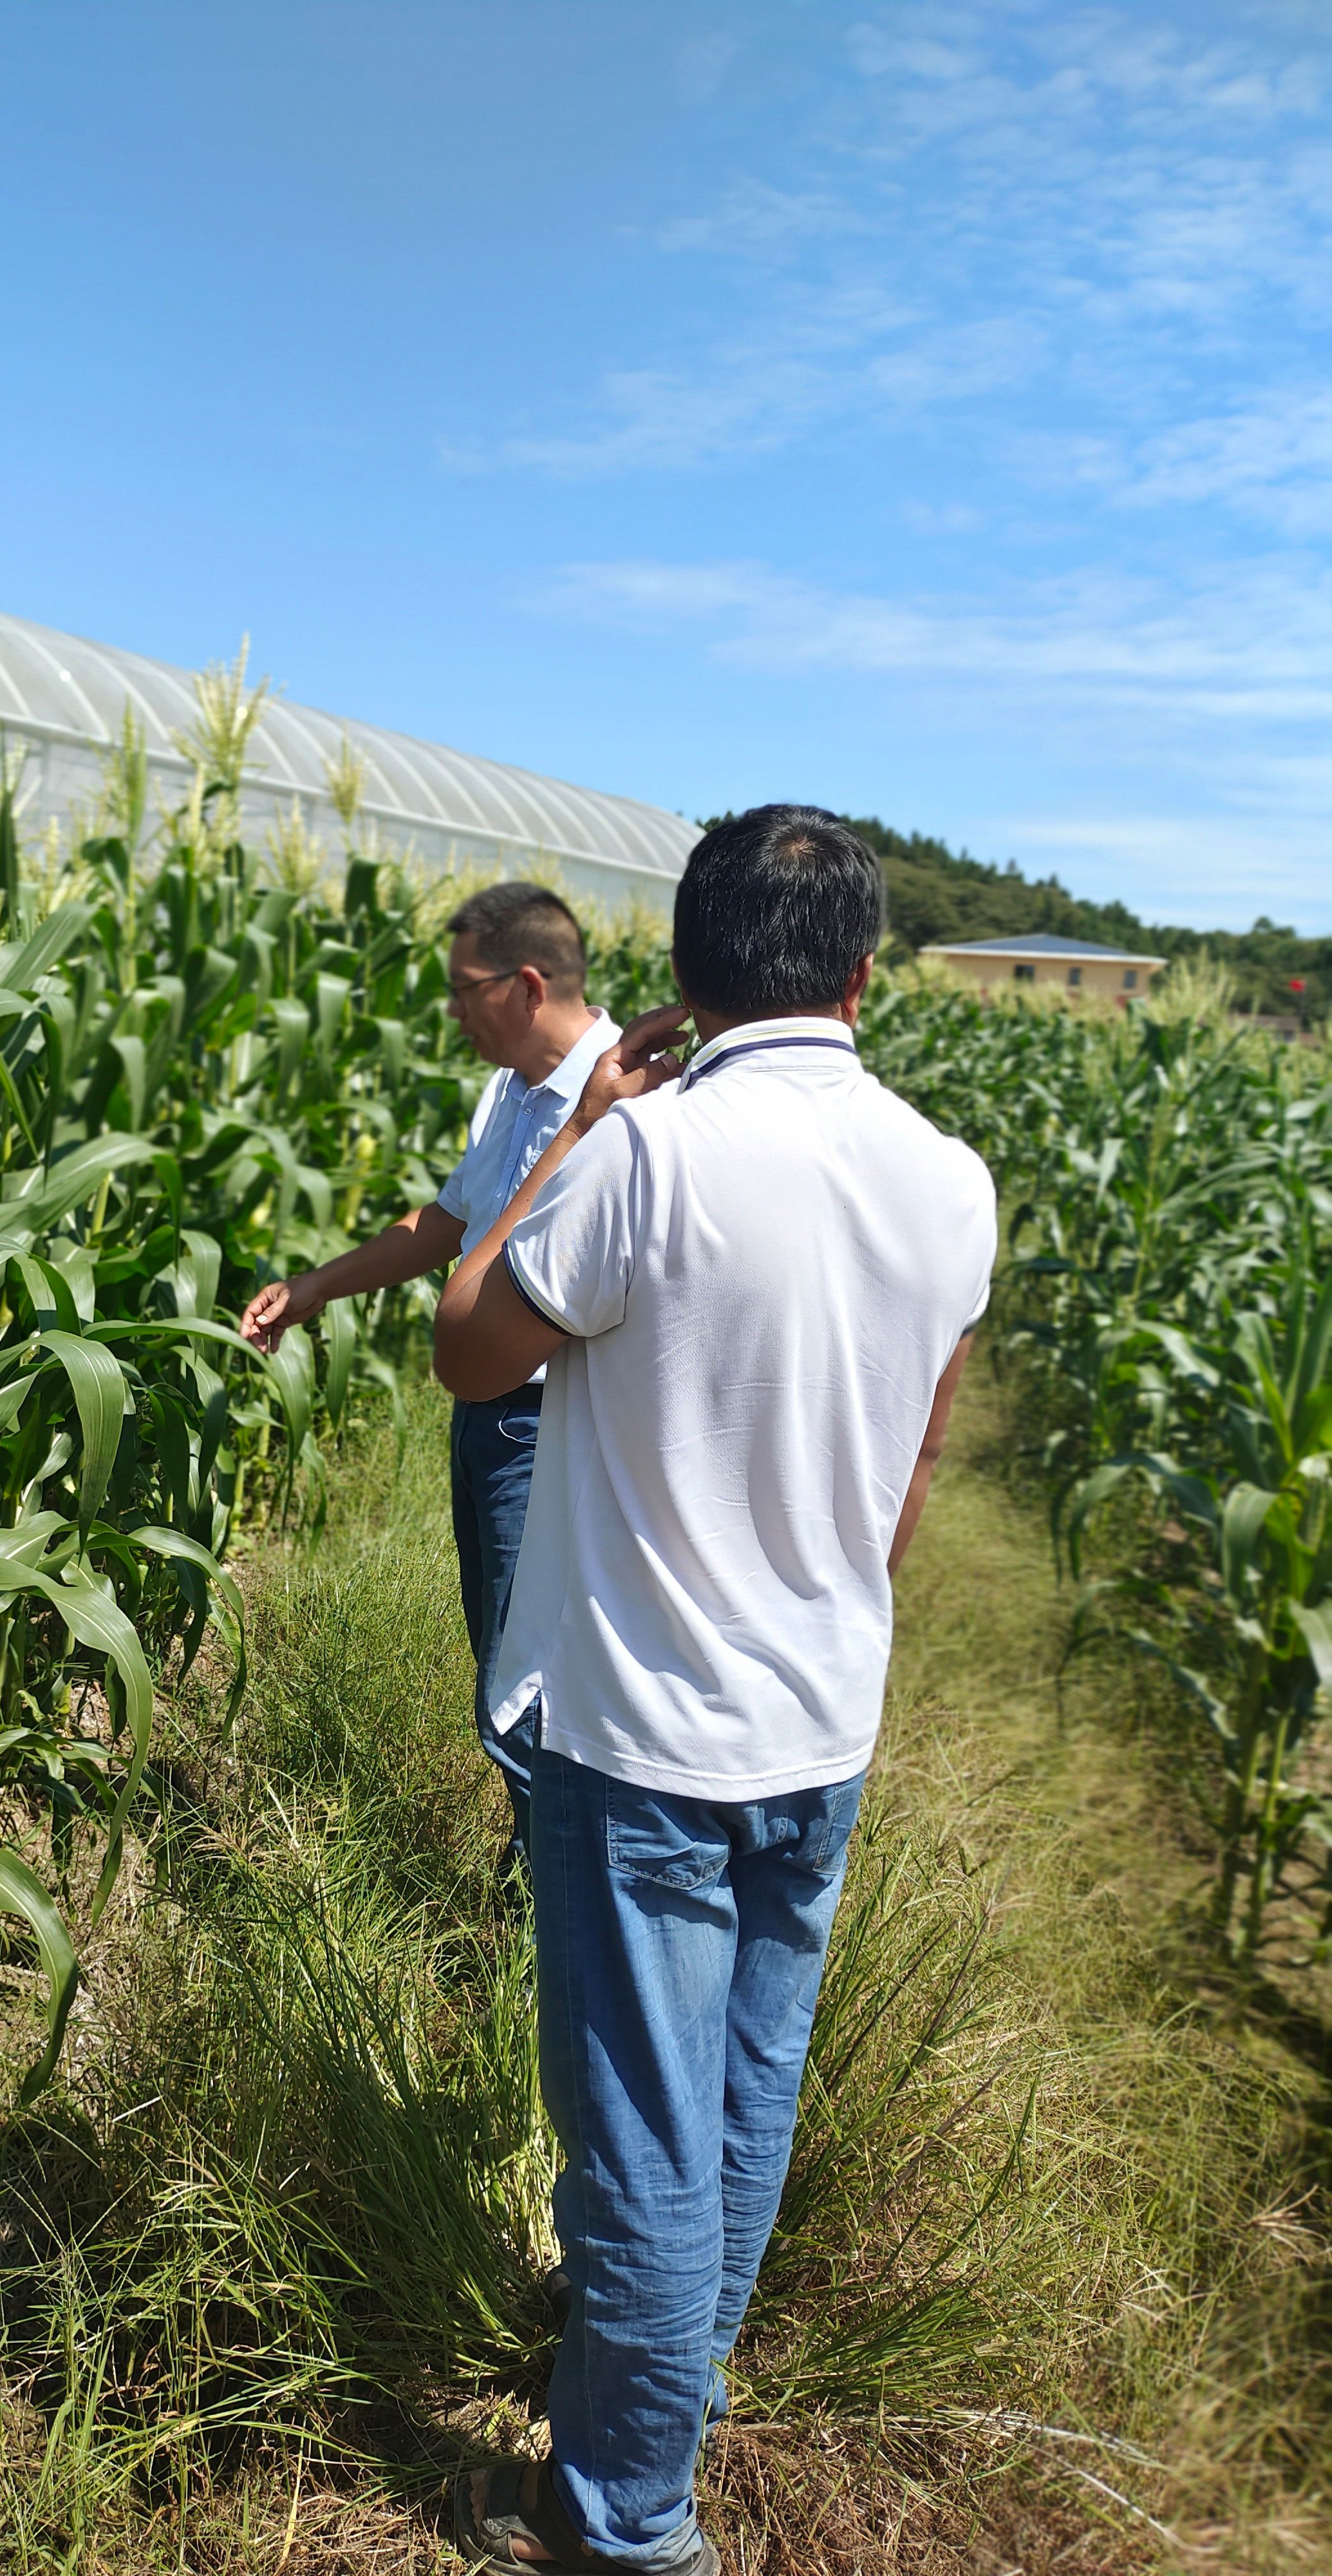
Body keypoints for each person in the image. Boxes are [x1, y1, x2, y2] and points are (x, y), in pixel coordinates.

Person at [433, 808, 997, 2573]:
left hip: (643, 1733)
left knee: (645, 2140)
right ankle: (678, 2388)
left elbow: (470, 1347)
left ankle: (625, 2520)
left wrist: (577, 1135)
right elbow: (908, 1479)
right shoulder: (951, 1180)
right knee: (744, 2101)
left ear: (681, 971)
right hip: (821, 1722)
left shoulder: (649, 1156)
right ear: (862, 971)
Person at [239, 880, 620, 1873]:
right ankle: (534, 1876)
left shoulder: (625, 1103)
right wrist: (314, 1288)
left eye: (464, 988)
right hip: (491, 1420)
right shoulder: (510, 1090)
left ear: (527, 985)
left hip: (557, 1423)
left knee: (531, 1688)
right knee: (505, 1674)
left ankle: (552, 1914)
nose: (450, 1010)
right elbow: (448, 1228)